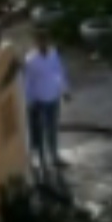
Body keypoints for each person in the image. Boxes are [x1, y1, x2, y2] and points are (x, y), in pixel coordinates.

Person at [22, 28, 70, 172]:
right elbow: (28, 82)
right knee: (38, 132)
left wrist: (65, 91)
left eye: (45, 40)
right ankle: (39, 160)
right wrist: (30, 101)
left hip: (53, 98)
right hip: (39, 101)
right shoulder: (30, 60)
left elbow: (59, 72)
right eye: (40, 40)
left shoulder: (54, 54)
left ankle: (54, 157)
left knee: (52, 129)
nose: (42, 43)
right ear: (36, 42)